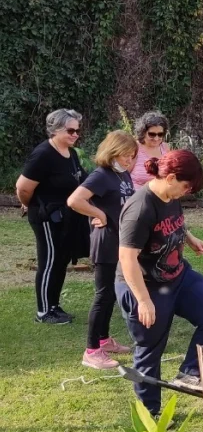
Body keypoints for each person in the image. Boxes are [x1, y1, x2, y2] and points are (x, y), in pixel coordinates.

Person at [116, 150, 203, 416]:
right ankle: (150, 414)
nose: (187, 191)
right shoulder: (140, 207)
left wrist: (189, 238)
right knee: (150, 350)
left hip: (177, 275)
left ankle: (190, 374)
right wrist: (143, 300)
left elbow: (174, 221)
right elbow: (127, 258)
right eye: (186, 186)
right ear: (170, 177)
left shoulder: (170, 194)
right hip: (146, 286)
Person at [68, 130, 138, 369]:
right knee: (103, 295)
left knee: (110, 295)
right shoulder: (101, 175)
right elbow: (75, 200)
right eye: (126, 155)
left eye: (132, 156)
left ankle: (104, 340)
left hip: (120, 242)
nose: (130, 160)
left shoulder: (122, 176)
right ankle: (91, 351)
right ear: (112, 153)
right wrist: (99, 214)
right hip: (105, 242)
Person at [16, 109, 90, 324]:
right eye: (70, 130)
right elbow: (22, 187)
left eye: (77, 130)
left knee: (61, 260)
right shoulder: (43, 154)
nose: (75, 134)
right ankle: (43, 311)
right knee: (49, 261)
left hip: (66, 217)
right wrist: (29, 203)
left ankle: (54, 306)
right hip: (46, 216)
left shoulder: (71, 153)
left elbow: (83, 182)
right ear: (55, 129)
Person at [130, 111, 170, 189]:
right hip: (137, 196)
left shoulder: (165, 148)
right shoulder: (135, 147)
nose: (156, 138)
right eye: (152, 134)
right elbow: (124, 176)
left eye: (160, 134)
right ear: (143, 132)